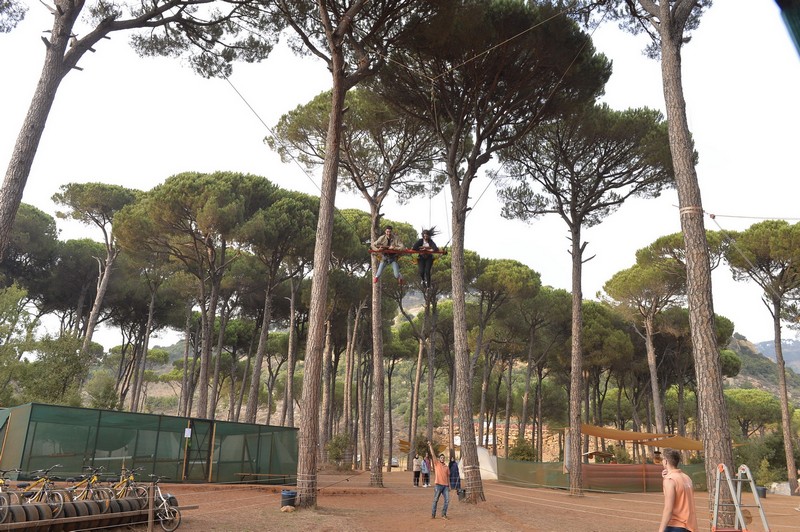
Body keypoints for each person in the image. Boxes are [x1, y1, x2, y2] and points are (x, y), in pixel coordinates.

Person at [658, 449, 698, 532]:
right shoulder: (687, 478)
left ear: (665, 461)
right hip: (689, 526)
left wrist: (661, 530)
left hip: (676, 525)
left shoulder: (670, 480)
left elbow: (668, 508)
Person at [427, 440, 450, 520]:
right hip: (438, 485)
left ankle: (443, 514)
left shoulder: (447, 467)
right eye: (441, 457)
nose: (442, 459)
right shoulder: (437, 464)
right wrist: (430, 445)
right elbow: (433, 455)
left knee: (447, 500)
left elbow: (447, 477)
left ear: (444, 459)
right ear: (439, 459)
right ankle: (433, 514)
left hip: (445, 486)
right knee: (435, 500)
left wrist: (448, 485)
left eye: (443, 458)